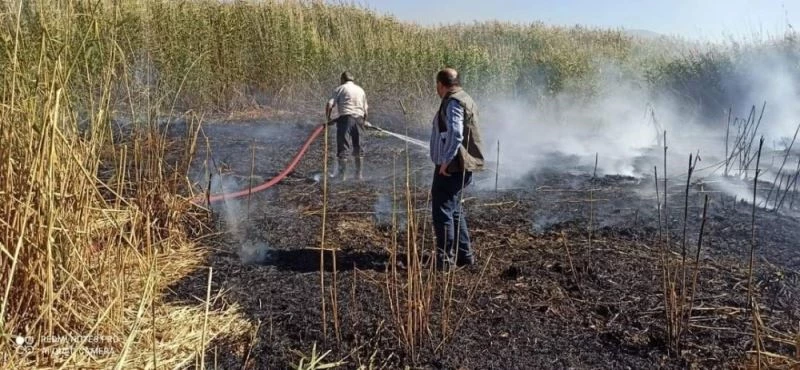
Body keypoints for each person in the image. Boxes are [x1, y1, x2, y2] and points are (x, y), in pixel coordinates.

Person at [429, 68, 485, 271]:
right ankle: (465, 255)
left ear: (441, 84)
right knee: (454, 210)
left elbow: (456, 133)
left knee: (442, 211)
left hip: (452, 166)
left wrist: (445, 161)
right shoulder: (465, 98)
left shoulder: (453, 102)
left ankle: (445, 262)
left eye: (437, 85)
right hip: (459, 165)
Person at [325, 71, 369, 181]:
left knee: (343, 147)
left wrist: (328, 119)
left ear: (342, 79)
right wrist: (364, 121)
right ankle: (359, 175)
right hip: (359, 119)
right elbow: (366, 110)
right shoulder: (360, 90)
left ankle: (342, 176)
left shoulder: (340, 88)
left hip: (345, 120)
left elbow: (329, 104)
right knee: (358, 147)